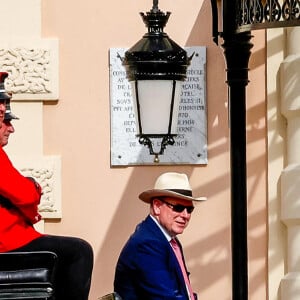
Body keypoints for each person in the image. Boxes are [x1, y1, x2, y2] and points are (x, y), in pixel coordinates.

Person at [0, 72, 94, 300]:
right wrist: (33, 187)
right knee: (79, 251)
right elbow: (25, 196)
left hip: (11, 238)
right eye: (3, 116)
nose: (9, 127)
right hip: (8, 241)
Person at [114, 172, 205, 300]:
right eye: (178, 208)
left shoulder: (166, 239)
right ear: (157, 206)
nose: (186, 215)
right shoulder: (147, 244)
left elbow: (184, 291)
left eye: (189, 209)